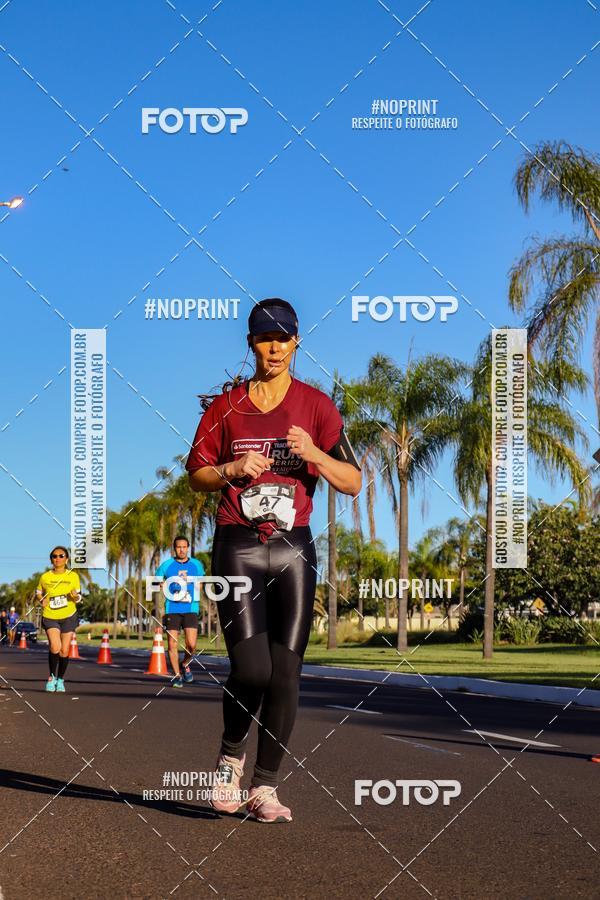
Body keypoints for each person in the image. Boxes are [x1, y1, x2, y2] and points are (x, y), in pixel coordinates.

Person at [186, 297, 361, 823]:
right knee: (251, 666)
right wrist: (233, 467)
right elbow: (195, 475)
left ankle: (264, 788)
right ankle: (229, 758)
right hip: (238, 543)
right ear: (251, 343)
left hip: (293, 547)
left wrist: (314, 454)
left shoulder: (317, 405)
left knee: (286, 672)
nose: (275, 347)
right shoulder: (226, 408)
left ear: (296, 343)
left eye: (284, 338)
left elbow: (352, 482)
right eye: (266, 338)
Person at [155, 536, 204, 687]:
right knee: (172, 645)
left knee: (192, 645)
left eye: (184, 547)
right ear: (174, 548)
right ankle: (177, 676)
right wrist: (161, 584)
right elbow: (156, 581)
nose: (181, 549)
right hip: (172, 609)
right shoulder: (166, 565)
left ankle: (185, 664)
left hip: (190, 608)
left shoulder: (196, 564)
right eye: (178, 547)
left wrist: (193, 588)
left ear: (187, 547)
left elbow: (200, 584)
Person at [36, 546, 81, 692]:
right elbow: (38, 592)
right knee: (55, 646)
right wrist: (41, 599)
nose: (58, 558)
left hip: (68, 615)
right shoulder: (45, 577)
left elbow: (78, 596)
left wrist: (75, 596)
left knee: (64, 651)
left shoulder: (73, 576)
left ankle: (60, 679)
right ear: (51, 559)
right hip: (50, 616)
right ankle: (51, 677)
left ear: (66, 559)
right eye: (54, 556)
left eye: (61, 556)